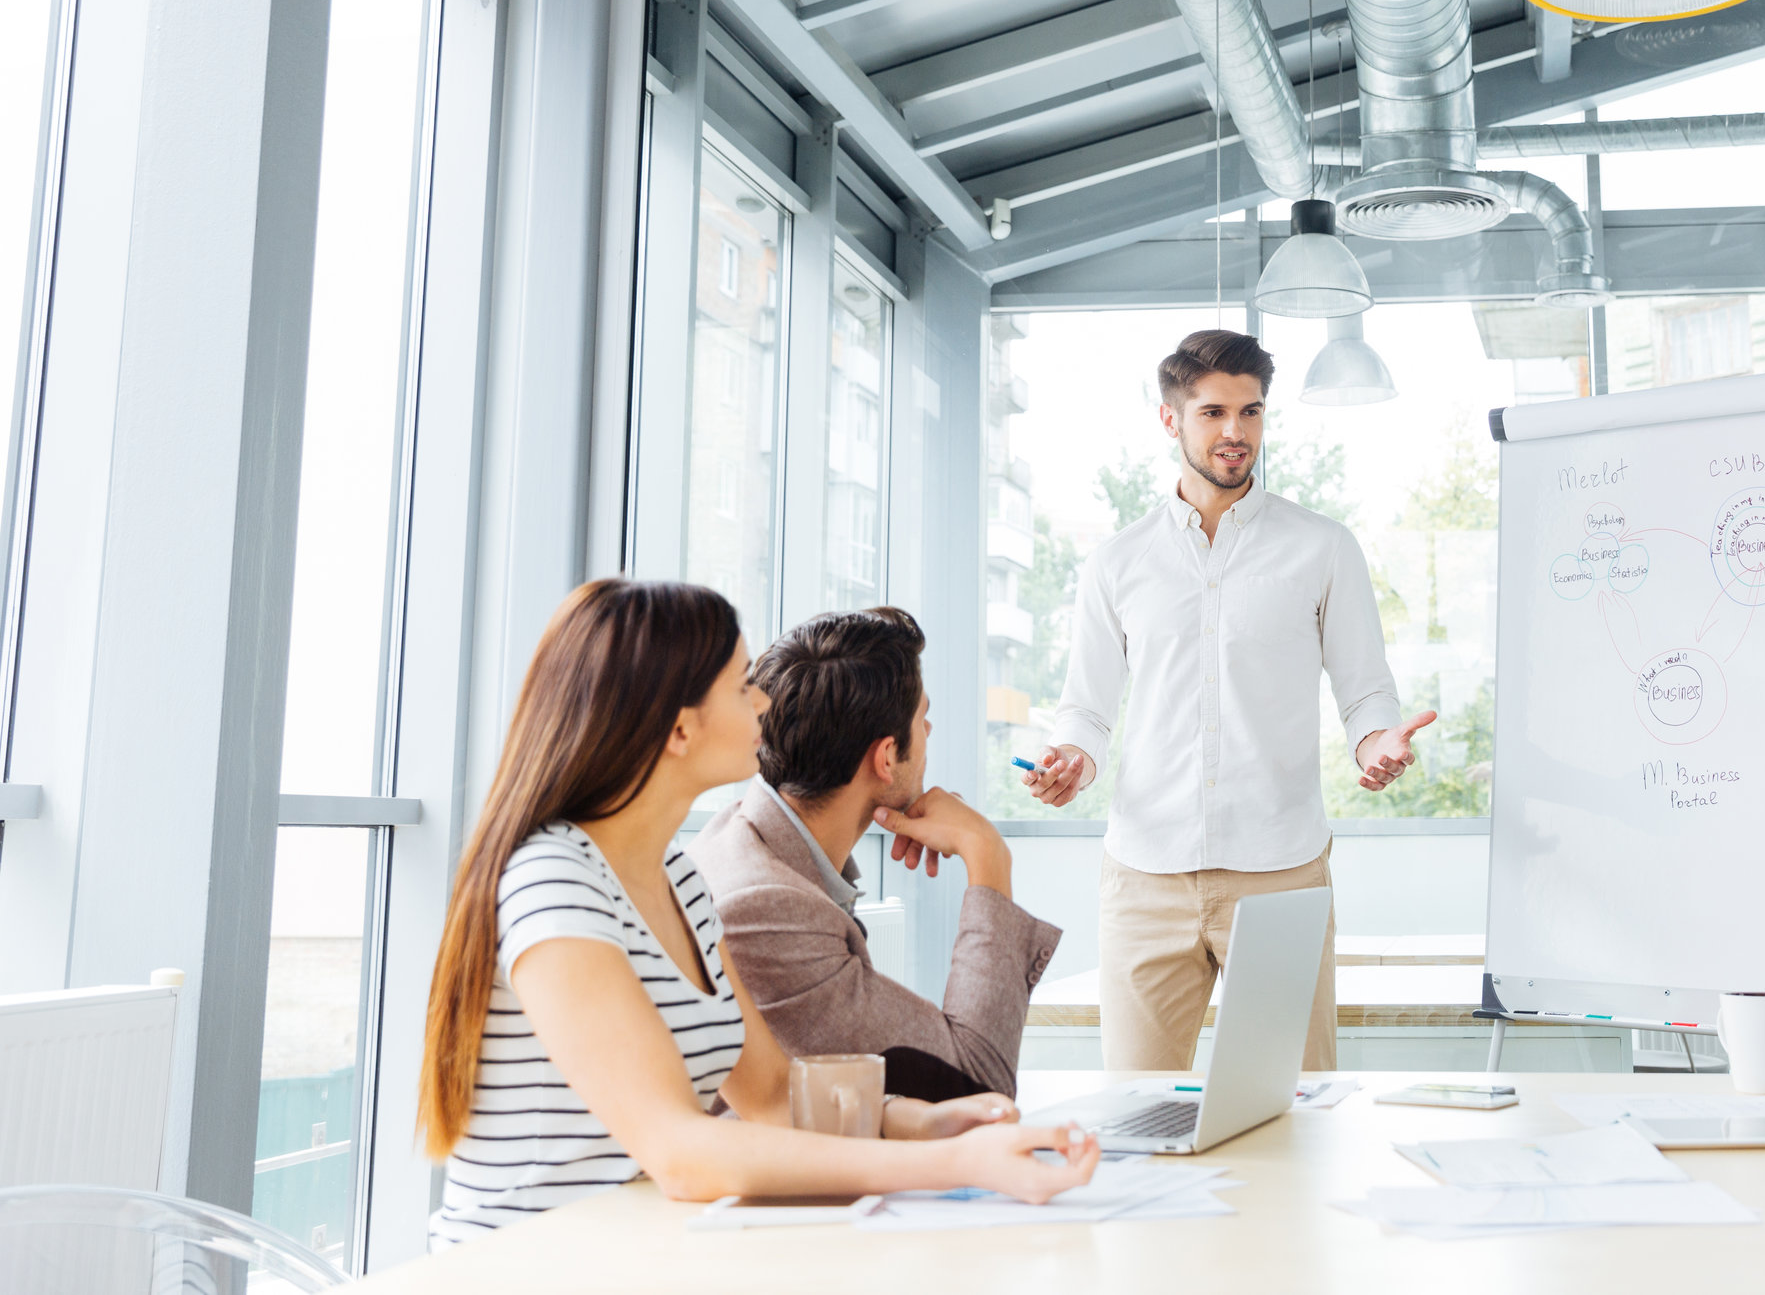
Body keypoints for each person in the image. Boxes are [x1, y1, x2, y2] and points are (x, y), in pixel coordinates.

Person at [418, 578, 1097, 1249]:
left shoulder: (677, 879)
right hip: (522, 1268)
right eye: (743, 682)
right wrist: (950, 1165)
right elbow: (679, 1150)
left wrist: (925, 1123)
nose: (765, 699)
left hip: (630, 1256)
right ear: (681, 728)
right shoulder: (553, 881)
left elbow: (773, 1093)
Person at [1023, 327, 1436, 1071]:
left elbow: (1366, 690)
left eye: (1251, 412)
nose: (1235, 432)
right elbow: (1086, 709)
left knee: (1295, 1112)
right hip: (1146, 877)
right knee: (1137, 1112)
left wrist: (1379, 743)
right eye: (1213, 412)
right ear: (1169, 417)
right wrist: (1071, 763)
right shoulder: (1117, 561)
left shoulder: (1323, 546)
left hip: (1280, 871)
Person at [690, 606, 1060, 1099]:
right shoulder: (769, 904)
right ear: (886, 757)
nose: (928, 734)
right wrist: (987, 855)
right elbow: (976, 1084)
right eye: (922, 718)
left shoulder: (738, 834)